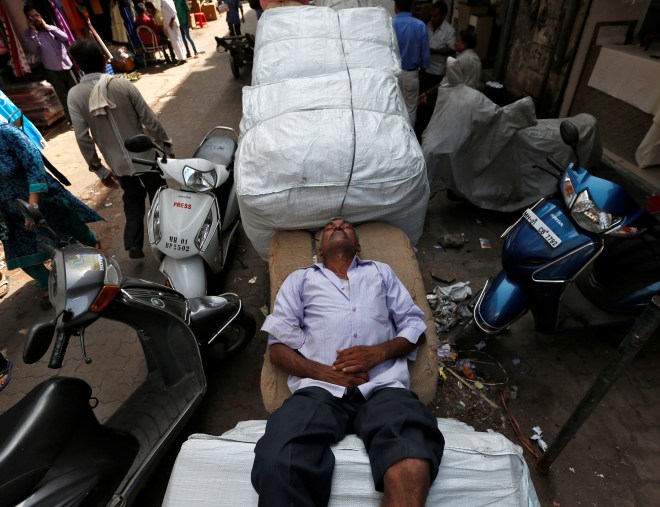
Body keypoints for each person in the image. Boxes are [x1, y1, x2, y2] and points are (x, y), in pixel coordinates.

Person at [252, 218, 445, 506]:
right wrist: (326, 373)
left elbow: (414, 327)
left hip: (382, 386)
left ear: (358, 246)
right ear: (319, 252)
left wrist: (378, 353)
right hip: (318, 391)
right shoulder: (301, 279)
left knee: (413, 460)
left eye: (345, 225)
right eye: (330, 227)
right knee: (280, 459)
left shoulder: (381, 272)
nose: (338, 225)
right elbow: (278, 349)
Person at [67, 39, 172, 260]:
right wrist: (166, 145)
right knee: (159, 198)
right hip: (146, 156)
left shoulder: (75, 95)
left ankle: (133, 243)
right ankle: (164, 241)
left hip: (118, 163)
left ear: (78, 65)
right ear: (105, 59)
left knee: (132, 200)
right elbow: (149, 119)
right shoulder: (123, 85)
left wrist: (99, 169)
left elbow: (82, 137)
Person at [0, 123, 103, 309]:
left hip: (40, 199)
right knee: (20, 251)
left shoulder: (6, 133)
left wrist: (33, 205)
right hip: (9, 211)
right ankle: (51, 284)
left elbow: (33, 164)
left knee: (70, 231)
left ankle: (96, 252)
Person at [23, 5, 78, 120]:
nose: (35, 19)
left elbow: (65, 37)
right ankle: (73, 119)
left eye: (36, 15)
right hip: (52, 68)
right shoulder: (29, 34)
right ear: (28, 20)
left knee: (76, 91)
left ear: (41, 16)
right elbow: (33, 48)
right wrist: (33, 32)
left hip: (66, 65)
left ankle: (85, 113)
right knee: (63, 96)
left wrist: (46, 26)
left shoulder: (51, 27)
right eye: (31, 17)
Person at [415, 1, 454, 138]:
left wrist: (433, 51)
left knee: (432, 104)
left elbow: (451, 49)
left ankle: (430, 131)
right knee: (422, 101)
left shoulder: (449, 30)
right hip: (426, 70)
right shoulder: (427, 26)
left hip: (438, 72)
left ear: (443, 16)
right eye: (431, 16)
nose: (432, 19)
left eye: (436, 16)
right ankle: (419, 130)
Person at [419, 29, 483, 104]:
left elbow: (445, 83)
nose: (455, 43)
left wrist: (427, 92)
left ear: (464, 44)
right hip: (473, 99)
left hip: (460, 100)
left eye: (458, 41)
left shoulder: (459, 60)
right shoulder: (476, 58)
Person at [392, 0, 430, 127]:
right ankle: (409, 142)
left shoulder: (390, 24)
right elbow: (425, 56)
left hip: (393, 75)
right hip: (412, 74)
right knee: (410, 110)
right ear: (412, 8)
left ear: (396, 7)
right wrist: (420, 74)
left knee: (393, 108)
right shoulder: (420, 26)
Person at [160, 0, 187, 64]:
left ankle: (182, 58)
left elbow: (173, 11)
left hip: (172, 24)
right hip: (171, 23)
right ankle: (183, 57)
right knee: (178, 40)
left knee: (175, 42)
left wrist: (171, 22)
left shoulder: (164, 1)